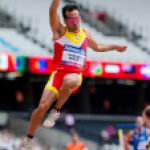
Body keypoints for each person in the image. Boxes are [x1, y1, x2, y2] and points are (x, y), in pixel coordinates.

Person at [22, 0, 127, 149]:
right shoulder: (59, 31)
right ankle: (29, 138)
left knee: (68, 79)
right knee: (41, 107)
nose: (76, 22)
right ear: (65, 20)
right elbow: (52, 11)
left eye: (77, 18)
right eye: (72, 19)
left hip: (74, 76)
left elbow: (97, 46)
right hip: (57, 75)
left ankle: (56, 110)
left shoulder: (85, 33)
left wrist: (114, 46)